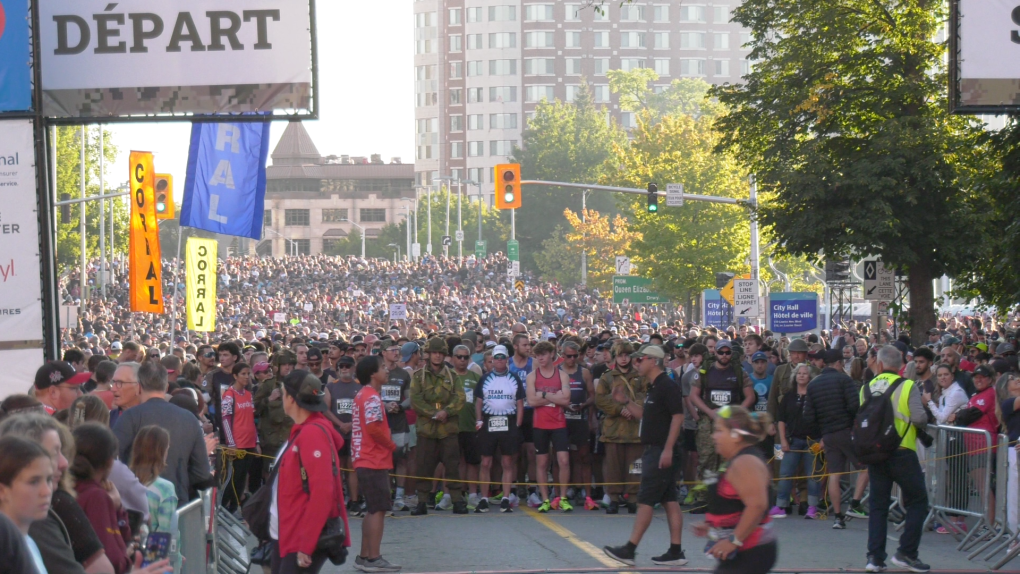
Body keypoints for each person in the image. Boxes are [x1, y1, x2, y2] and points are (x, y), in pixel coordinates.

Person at [603, 345, 687, 567]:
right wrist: (626, 401)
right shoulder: (654, 387)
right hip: (656, 449)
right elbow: (645, 416)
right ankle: (676, 551)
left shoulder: (666, 386)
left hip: (661, 450)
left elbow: (678, 417)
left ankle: (629, 550)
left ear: (653, 361)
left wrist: (668, 448)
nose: (636, 363)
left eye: (640, 360)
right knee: (669, 500)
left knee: (646, 500)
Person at [270, 370, 350, 574]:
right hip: (290, 532)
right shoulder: (304, 430)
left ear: (291, 398)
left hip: (301, 533)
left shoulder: (312, 433)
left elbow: (322, 492)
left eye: (283, 393)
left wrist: (306, 544)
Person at [860, 345, 931, 573]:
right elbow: (919, 418)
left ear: (879, 364)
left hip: (875, 452)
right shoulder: (907, 385)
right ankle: (907, 552)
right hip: (902, 450)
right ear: (901, 365)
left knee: (878, 506)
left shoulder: (866, 388)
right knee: (918, 501)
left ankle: (874, 558)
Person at [113, 361, 213, 504]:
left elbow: (112, 462)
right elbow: (202, 472)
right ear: (166, 387)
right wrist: (180, 482)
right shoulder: (189, 418)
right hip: (177, 502)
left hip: (138, 504)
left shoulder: (130, 417)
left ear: (139, 387)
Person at [691, 406, 777, 574]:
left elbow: (757, 506)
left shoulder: (745, 462)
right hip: (743, 551)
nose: (713, 436)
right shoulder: (737, 460)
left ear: (735, 435)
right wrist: (713, 526)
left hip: (752, 551)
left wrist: (733, 540)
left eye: (718, 431)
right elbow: (735, 503)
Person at [802, 348, 869, 528]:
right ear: (838, 363)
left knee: (834, 474)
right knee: (865, 467)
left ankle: (838, 517)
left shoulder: (813, 384)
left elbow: (808, 417)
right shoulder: (844, 380)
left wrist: (821, 433)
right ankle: (854, 504)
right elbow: (855, 405)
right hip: (846, 431)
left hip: (828, 435)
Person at [688, 339, 754, 508]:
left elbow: (750, 397)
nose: (724, 356)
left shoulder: (739, 372)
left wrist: (734, 413)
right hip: (708, 421)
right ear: (715, 353)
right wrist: (709, 412)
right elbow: (694, 395)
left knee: (729, 460)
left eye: (727, 352)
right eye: (721, 352)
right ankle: (704, 498)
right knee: (707, 459)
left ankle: (728, 497)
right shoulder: (705, 371)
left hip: (730, 423)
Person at [351, 356, 400, 572]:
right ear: (372, 373)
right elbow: (373, 429)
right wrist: (390, 445)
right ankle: (373, 557)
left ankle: (364, 555)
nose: (387, 370)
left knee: (373, 509)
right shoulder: (370, 397)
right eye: (382, 367)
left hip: (365, 457)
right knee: (378, 509)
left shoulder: (364, 395)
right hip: (373, 459)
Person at [409, 337, 467, 515]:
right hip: (427, 429)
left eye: (441, 353)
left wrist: (446, 412)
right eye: (434, 353)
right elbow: (415, 400)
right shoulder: (419, 377)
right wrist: (433, 413)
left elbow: (460, 398)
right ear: (428, 354)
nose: (437, 356)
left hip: (447, 429)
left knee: (452, 465)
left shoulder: (453, 376)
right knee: (423, 466)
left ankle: (457, 500)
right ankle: (422, 502)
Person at [70, 423, 134, 574]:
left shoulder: (64, 488)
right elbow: (113, 559)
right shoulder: (96, 496)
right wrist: (128, 558)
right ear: (110, 462)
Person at [595, 341, 647, 514]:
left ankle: (633, 498)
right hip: (614, 429)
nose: (624, 359)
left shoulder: (640, 376)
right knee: (613, 467)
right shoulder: (607, 377)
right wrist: (619, 409)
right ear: (615, 357)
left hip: (635, 430)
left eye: (626, 355)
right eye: (620, 355)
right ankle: (614, 498)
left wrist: (632, 407)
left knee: (635, 466)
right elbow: (600, 400)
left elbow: (645, 396)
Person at [474, 345, 526, 513]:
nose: (499, 360)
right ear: (492, 360)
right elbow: (479, 401)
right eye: (496, 357)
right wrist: (479, 421)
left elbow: (520, 403)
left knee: (507, 461)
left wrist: (518, 424)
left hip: (509, 422)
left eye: (502, 357)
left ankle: (505, 497)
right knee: (486, 462)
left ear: (507, 359)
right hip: (489, 421)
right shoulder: (485, 378)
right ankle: (483, 498)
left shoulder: (515, 378)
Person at [525, 341, 573, 513]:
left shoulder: (562, 376)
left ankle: (563, 497)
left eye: (543, 354)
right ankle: (545, 498)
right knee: (542, 462)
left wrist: (543, 395)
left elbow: (566, 400)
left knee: (563, 460)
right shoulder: (532, 376)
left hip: (558, 423)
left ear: (552, 354)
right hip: (540, 424)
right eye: (538, 355)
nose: (540, 358)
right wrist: (554, 396)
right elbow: (531, 401)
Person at [771, 363, 822, 519]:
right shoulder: (788, 396)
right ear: (795, 376)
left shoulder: (815, 397)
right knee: (785, 473)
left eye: (805, 373)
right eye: (799, 373)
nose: (801, 375)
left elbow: (823, 419)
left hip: (812, 441)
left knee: (812, 475)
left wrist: (822, 440)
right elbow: (781, 420)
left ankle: (813, 507)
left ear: (810, 377)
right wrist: (783, 440)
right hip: (792, 441)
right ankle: (781, 505)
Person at [0, 435, 54, 574]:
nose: (47, 491)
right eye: (34, 481)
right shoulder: (5, 549)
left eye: (48, 479)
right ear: (2, 490)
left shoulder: (29, 542)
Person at [560, 340, 595, 507]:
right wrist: (564, 404)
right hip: (561, 420)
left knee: (584, 457)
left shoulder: (585, 372)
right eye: (568, 356)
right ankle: (562, 491)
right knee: (562, 458)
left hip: (580, 419)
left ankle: (587, 494)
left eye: (575, 356)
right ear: (562, 356)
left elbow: (593, 396)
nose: (572, 359)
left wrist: (584, 406)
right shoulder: (556, 372)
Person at [221, 362, 259, 513]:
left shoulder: (249, 395)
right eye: (243, 374)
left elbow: (252, 419)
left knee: (243, 479)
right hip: (237, 443)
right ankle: (224, 508)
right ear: (235, 376)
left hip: (249, 441)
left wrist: (256, 441)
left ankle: (234, 507)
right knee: (234, 478)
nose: (246, 377)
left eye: (248, 374)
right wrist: (231, 443)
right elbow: (225, 419)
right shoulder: (229, 395)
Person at [450, 345, 483, 510]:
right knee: (453, 462)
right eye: (459, 356)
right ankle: (453, 494)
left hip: (470, 426)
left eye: (465, 357)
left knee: (472, 462)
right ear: (452, 358)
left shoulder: (475, 377)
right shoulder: (447, 377)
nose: (462, 360)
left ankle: (472, 495)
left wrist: (479, 420)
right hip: (451, 427)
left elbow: (480, 401)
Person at [129, 426, 177, 534]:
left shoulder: (123, 482)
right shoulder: (165, 488)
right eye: (167, 449)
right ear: (162, 452)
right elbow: (166, 533)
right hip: (152, 549)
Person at [996, 373, 1020, 544]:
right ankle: (1015, 538)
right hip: (1015, 452)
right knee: (1015, 496)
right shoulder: (1008, 403)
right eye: (1012, 378)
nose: (1017, 379)